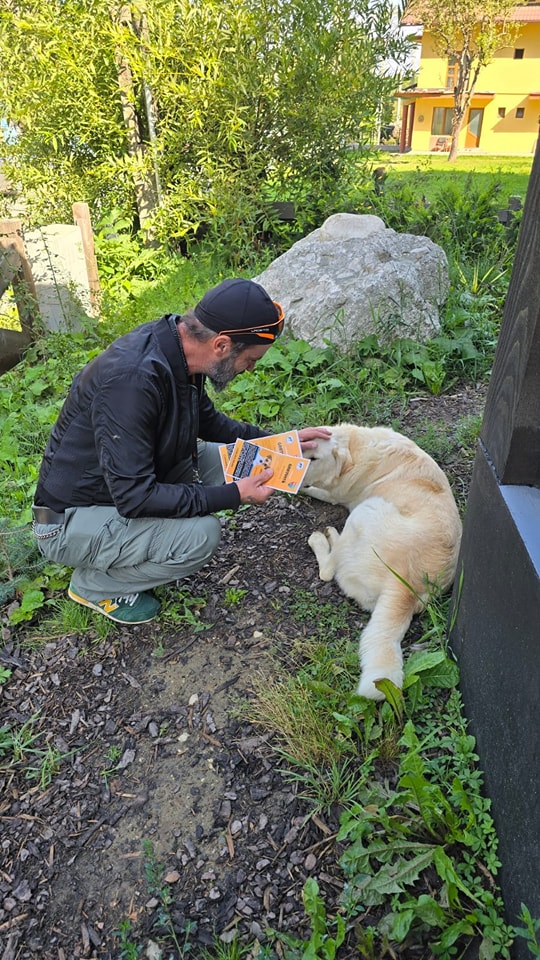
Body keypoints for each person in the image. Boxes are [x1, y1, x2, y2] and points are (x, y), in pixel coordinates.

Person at [32, 278, 331, 624]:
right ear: (222, 344)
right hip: (70, 521)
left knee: (236, 460)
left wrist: (280, 441)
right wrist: (234, 495)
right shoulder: (132, 382)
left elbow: (209, 422)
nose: (251, 368)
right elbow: (135, 497)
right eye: (250, 359)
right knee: (201, 536)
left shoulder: (178, 350)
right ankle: (95, 586)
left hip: (124, 485)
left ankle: (128, 552)